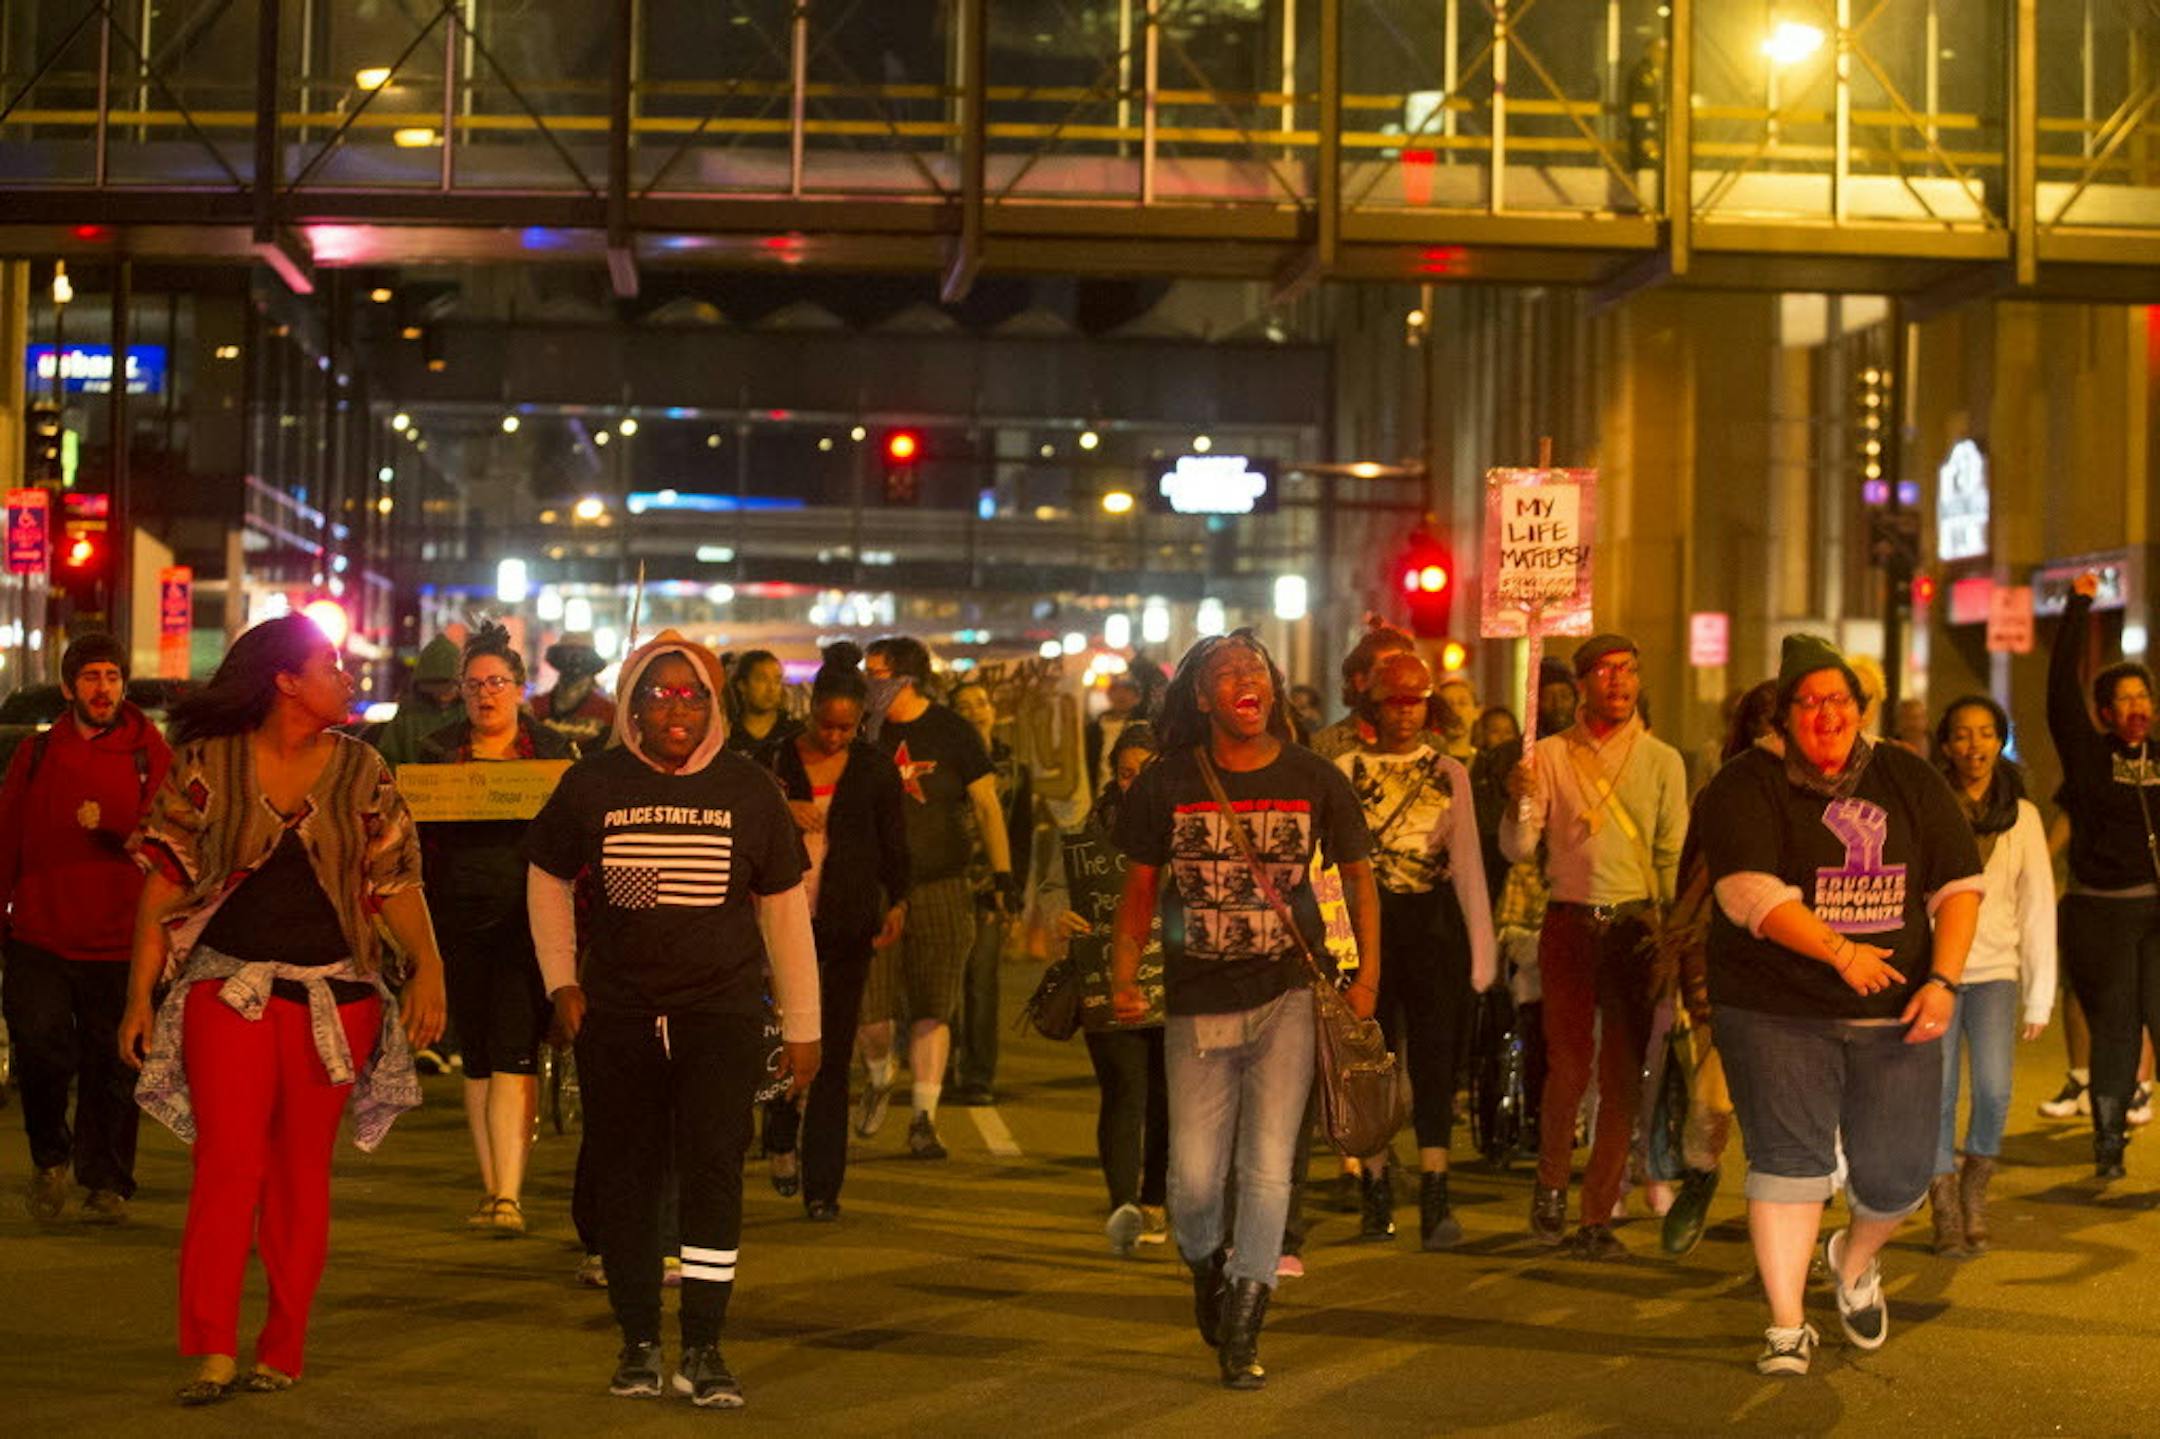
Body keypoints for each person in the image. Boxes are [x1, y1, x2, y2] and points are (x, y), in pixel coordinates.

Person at [116, 614, 448, 1404]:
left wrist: (429, 966)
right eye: (331, 663)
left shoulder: (364, 769)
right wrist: (139, 994)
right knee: (228, 1168)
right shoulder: (206, 763)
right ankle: (212, 1347)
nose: (348, 675)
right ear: (286, 681)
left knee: (303, 1177)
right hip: (224, 989)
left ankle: (283, 1345)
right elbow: (162, 883)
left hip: (335, 996)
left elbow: (395, 881)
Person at [525, 629, 820, 1407]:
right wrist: (562, 982)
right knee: (627, 1173)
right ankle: (638, 1341)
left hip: (720, 1013)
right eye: (658, 693)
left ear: (713, 703)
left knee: (715, 1175)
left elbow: (785, 910)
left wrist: (804, 1024)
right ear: (630, 703)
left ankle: (706, 1344)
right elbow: (546, 875)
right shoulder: (592, 783)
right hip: (618, 1015)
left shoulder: (749, 789)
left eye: (691, 693)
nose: (675, 708)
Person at [1696, 634, 1981, 1377]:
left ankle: (1852, 1262)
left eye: (1841, 701)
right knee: (1788, 1164)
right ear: (1783, 713)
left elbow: (1957, 887)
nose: (1827, 716)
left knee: (1895, 1178)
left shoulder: (1906, 776)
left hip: (1897, 1012)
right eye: (1811, 702)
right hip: (1773, 1008)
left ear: (1862, 708)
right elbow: (1749, 894)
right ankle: (1787, 1325)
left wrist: (1943, 981)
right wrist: (1841, 950)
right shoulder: (1742, 784)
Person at [1111, 630, 1379, 1391]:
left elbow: (1360, 880)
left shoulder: (1315, 777)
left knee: (1267, 1169)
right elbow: (1137, 891)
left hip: (1290, 990)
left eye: (1255, 668)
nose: (1244, 679)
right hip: (1198, 998)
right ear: (1202, 698)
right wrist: (1125, 972)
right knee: (1193, 1181)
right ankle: (1207, 1266)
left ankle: (1245, 1322)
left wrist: (1364, 979)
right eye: (1227, 672)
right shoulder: (1166, 783)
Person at [1502, 633, 1687, 1258]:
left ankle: (1597, 1214)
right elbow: (1519, 850)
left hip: (1635, 927)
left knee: (1623, 1078)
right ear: (1581, 683)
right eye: (1605, 672)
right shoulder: (1548, 755)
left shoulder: (1664, 760)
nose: (1618, 682)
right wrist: (1518, 803)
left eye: (1628, 671)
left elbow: (1671, 856)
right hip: (1568, 924)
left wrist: (1674, 941)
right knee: (1569, 1067)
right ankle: (1551, 1182)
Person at [0, 633, 172, 1224]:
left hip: (123, 940)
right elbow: (7, 839)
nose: (104, 688)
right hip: (40, 936)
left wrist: (119, 825)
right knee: (41, 1050)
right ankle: (51, 1159)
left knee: (115, 1065)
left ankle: (107, 1181)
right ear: (70, 687)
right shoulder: (37, 754)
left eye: (112, 676)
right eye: (92, 677)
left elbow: (174, 840)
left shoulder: (150, 752)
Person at [412, 624, 574, 1237]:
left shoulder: (555, 752)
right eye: (475, 684)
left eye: (498, 683)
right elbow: (419, 848)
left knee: (513, 1049)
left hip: (527, 922)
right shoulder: (435, 752)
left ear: (520, 689)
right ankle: (492, 1188)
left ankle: (509, 1194)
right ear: (460, 691)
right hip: (456, 923)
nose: (486, 695)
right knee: (477, 1057)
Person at [1334, 652, 1495, 1249]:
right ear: (1372, 706)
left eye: (1415, 700)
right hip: (1362, 927)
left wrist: (1482, 953)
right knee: (1368, 1061)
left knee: (1434, 1059)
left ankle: (1435, 1191)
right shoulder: (1343, 770)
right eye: (1394, 701)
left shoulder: (1448, 771)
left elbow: (1469, 867)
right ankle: (1375, 1188)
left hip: (1432, 924)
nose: (1405, 713)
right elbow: (1329, 867)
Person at [757, 649, 910, 1222]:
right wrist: (783, 806)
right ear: (811, 710)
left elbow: (894, 840)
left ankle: (824, 1183)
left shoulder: (872, 768)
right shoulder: (772, 760)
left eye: (848, 727)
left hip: (846, 921)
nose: (836, 736)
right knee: (780, 1036)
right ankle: (778, 1130)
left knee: (835, 1048)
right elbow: (745, 823)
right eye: (827, 724)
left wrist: (898, 899)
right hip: (781, 919)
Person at [856, 637, 1014, 1159]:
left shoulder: (951, 731)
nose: (866, 680)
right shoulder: (862, 730)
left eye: (875, 672)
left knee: (933, 1007)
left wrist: (1003, 874)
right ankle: (880, 1074)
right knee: (872, 1015)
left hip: (942, 886)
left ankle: (924, 1118)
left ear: (904, 677)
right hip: (874, 891)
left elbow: (987, 805)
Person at [1926, 695, 2055, 1256]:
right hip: (1937, 971)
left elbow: (2037, 903)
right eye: (1962, 734)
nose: (1974, 746)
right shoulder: (1929, 806)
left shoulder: (2021, 814)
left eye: (1985, 734)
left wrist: (2040, 995)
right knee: (1939, 1091)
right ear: (1946, 744)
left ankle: (1976, 1189)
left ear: (1998, 739)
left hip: (1998, 970)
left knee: (1996, 1088)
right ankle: (1945, 1205)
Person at [1653, 679, 1777, 1257]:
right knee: (1714, 1097)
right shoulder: (1718, 795)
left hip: (1807, 971)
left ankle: (1785, 1240)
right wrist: (1686, 966)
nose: (1773, 735)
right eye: (1762, 723)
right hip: (1727, 962)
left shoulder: (1836, 796)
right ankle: (1700, 1178)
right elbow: (1691, 887)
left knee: (1790, 1116)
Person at [2048, 569, 2160, 1179]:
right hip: (2101, 913)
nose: (2136, 708)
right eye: (2123, 700)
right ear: (2103, 712)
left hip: (2156, 913)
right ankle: (2108, 1138)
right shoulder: (2090, 758)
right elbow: (2057, 690)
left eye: (2143, 697)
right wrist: (2078, 606)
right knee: (2115, 1030)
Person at [1052, 722, 1170, 1255]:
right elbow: (1057, 888)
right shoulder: (1089, 830)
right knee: (1124, 1091)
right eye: (1126, 774)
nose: (1135, 783)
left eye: (1146, 772)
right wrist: (1062, 914)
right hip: (1104, 977)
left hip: (1174, 983)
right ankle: (1123, 1203)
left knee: (1168, 1099)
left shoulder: (1190, 826)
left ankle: (1154, 1197)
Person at [949, 677, 1034, 1106]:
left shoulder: (1015, 769)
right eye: (964, 706)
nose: (975, 710)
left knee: (981, 981)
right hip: (947, 884)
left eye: (980, 703)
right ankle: (941, 1066)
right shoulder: (944, 762)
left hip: (989, 888)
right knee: (944, 983)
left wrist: (1012, 888)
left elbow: (1021, 837)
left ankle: (978, 1074)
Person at [1307, 621, 1420, 761]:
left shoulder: (1430, 746)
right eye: (1387, 672)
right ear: (1361, 681)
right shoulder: (1325, 748)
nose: (1399, 682)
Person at [363, 633, 462, 767]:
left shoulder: (471, 713)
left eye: (449, 685)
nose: (443, 693)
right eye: (435, 685)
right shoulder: (408, 716)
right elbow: (385, 761)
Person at [532, 632, 616, 756]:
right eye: (569, 653)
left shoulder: (608, 711)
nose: (575, 659)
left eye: (582, 654)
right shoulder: (535, 707)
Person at [724, 650, 801, 756]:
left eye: (777, 680)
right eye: (762, 680)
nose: (771, 688)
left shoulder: (795, 733)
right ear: (742, 685)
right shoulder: (728, 735)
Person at [1086, 672, 1146, 796]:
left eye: (1127, 690)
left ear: (1137, 697)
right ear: (1109, 694)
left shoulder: (1143, 727)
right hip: (1099, 796)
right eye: (1116, 689)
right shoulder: (1093, 730)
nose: (1121, 695)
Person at [1434, 675, 1480, 763]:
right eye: (1448, 704)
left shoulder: (1488, 765)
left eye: (1462, 703)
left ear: (1477, 712)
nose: (1455, 710)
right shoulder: (1427, 761)